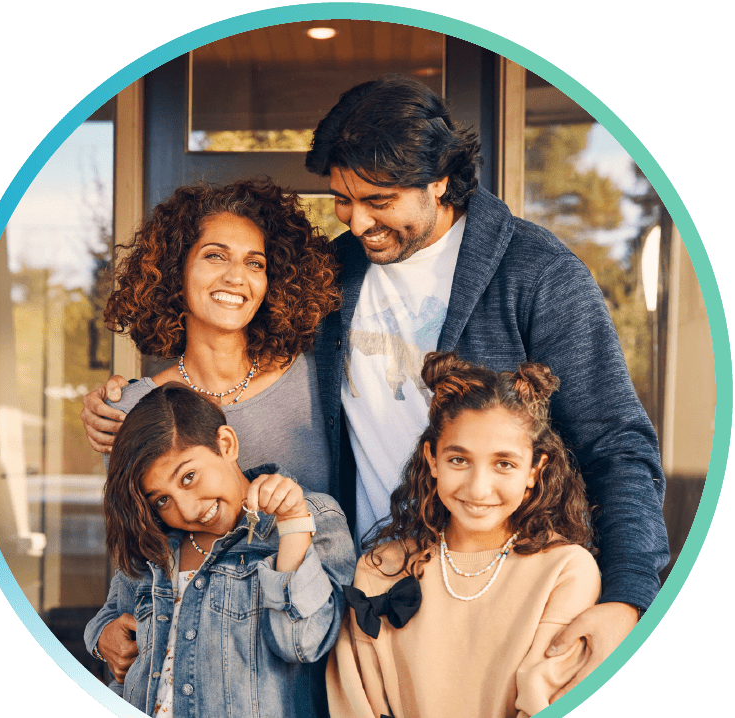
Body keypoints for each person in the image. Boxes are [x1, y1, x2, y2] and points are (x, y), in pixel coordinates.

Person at [305, 74, 669, 694]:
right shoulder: (331, 276)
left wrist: (630, 597)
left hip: (503, 612)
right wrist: (142, 401)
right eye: (343, 198)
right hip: (369, 606)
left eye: (380, 200)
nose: (357, 221)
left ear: (441, 180)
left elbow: (617, 444)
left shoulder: (539, 273)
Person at [82, 178, 341, 682]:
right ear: (175, 270)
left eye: (255, 263)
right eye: (215, 256)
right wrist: (103, 630)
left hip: (305, 656)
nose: (236, 277)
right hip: (189, 677)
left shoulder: (319, 375)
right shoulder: (135, 406)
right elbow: (136, 555)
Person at [326, 353, 602, 717]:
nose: (478, 487)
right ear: (432, 459)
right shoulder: (380, 571)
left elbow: (547, 700)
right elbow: (356, 704)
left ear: (535, 469)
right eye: (459, 460)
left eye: (504, 464)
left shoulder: (565, 570)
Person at [85, 383, 356, 718]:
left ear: (225, 444)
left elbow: (302, 641)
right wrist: (101, 638)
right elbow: (112, 619)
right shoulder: (157, 544)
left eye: (188, 477)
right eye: (162, 499)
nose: (185, 510)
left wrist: (293, 523)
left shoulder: (312, 517)